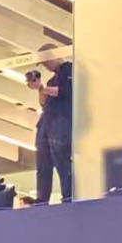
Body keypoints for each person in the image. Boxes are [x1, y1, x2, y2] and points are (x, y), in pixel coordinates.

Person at [27, 44, 73, 204]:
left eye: (46, 61)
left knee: (60, 158)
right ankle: (42, 198)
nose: (46, 66)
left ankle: (68, 194)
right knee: (43, 162)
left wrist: (42, 87)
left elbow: (66, 91)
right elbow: (43, 103)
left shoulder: (69, 70)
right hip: (47, 121)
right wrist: (40, 88)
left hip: (60, 121)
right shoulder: (51, 80)